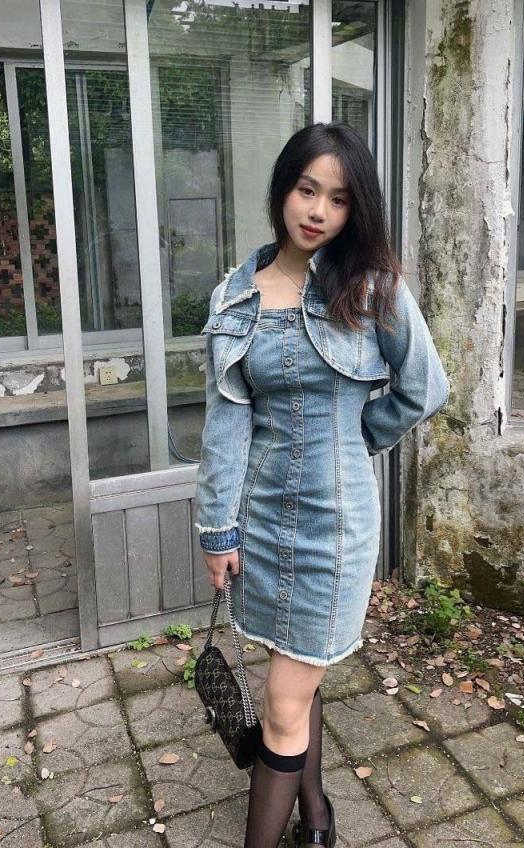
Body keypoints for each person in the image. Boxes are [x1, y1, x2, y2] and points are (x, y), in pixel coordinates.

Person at [195, 121, 450, 848]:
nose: (318, 211)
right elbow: (226, 426)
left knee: (282, 698)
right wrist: (218, 530)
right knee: (293, 686)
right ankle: (317, 817)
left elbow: (424, 388)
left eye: (338, 200)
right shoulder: (235, 298)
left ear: (354, 210)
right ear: (283, 189)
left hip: (335, 528)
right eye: (307, 190)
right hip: (260, 518)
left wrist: (354, 439)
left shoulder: (372, 289)